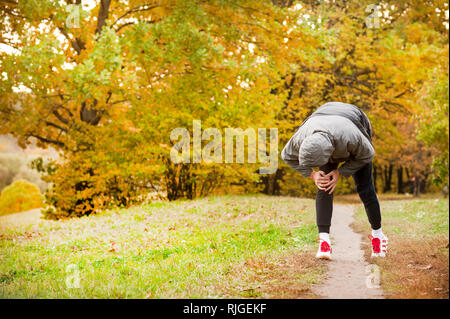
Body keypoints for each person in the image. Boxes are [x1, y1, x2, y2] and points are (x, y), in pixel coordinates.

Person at [281, 101, 388, 260]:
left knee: (365, 188)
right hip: (321, 126)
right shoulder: (300, 138)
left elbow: (368, 154)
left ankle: (378, 236)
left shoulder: (353, 138)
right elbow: (286, 156)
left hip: (354, 122)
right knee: (324, 185)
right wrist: (313, 175)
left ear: (328, 154)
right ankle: (324, 242)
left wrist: (340, 172)